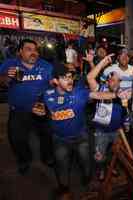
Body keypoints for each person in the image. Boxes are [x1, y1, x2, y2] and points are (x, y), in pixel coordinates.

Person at [33, 63, 121, 193]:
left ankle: (87, 181)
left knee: (86, 162)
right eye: (64, 78)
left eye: (70, 77)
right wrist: (38, 111)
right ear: (55, 81)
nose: (69, 80)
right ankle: (64, 189)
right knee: (62, 166)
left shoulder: (79, 92)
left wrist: (116, 95)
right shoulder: (46, 94)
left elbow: (98, 95)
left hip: (81, 138)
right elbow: (39, 108)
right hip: (60, 139)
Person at [0, 39, 54, 175]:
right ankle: (24, 160)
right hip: (19, 111)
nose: (33, 53)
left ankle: (47, 158)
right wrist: (7, 77)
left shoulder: (46, 66)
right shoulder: (11, 64)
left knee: (47, 135)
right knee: (17, 139)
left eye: (35, 50)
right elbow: (2, 81)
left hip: (41, 109)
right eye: (29, 49)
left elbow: (53, 85)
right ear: (20, 52)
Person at [87, 54, 127, 180]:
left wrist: (126, 123)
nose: (115, 83)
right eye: (113, 80)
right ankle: (101, 170)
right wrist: (103, 62)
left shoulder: (122, 93)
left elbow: (125, 112)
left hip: (116, 131)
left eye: (118, 80)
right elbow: (90, 77)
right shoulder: (100, 89)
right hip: (101, 132)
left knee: (114, 153)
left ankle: (110, 167)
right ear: (107, 81)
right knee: (99, 156)